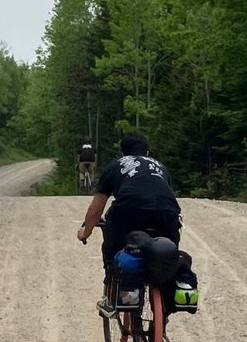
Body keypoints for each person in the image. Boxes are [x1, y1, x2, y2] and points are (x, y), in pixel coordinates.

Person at [76, 132, 182, 327]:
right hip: (167, 216)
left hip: (128, 214)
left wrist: (86, 232)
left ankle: (111, 296)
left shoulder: (116, 165)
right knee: (167, 259)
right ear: (147, 152)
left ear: (122, 152)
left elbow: (96, 209)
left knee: (112, 247)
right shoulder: (160, 167)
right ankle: (161, 325)